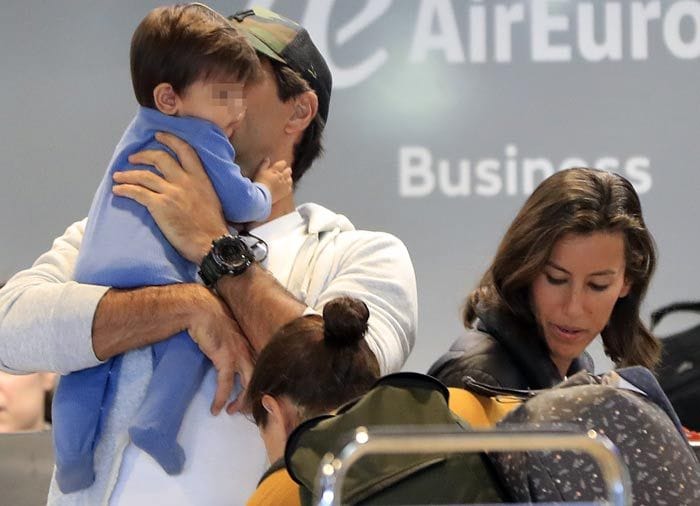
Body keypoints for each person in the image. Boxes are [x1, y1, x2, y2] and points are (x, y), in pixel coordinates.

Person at [0, 7, 417, 506]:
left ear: (299, 111)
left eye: (238, 77)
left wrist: (214, 244)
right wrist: (186, 307)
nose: (210, 91)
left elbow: (338, 388)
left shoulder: (363, 255)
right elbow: (9, 331)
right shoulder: (110, 229)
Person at [51, 4, 293, 493]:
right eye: (226, 96)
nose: (237, 112)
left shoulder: (139, 127)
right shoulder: (202, 137)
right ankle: (158, 421)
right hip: (155, 267)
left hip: (94, 266)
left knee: (84, 365)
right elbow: (238, 197)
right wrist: (266, 189)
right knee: (191, 335)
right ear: (170, 97)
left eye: (243, 96)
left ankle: (70, 455)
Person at [429, 167, 660, 390]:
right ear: (524, 268)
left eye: (597, 285)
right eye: (556, 279)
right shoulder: (477, 379)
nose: (573, 308)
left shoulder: (576, 372)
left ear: (627, 282)